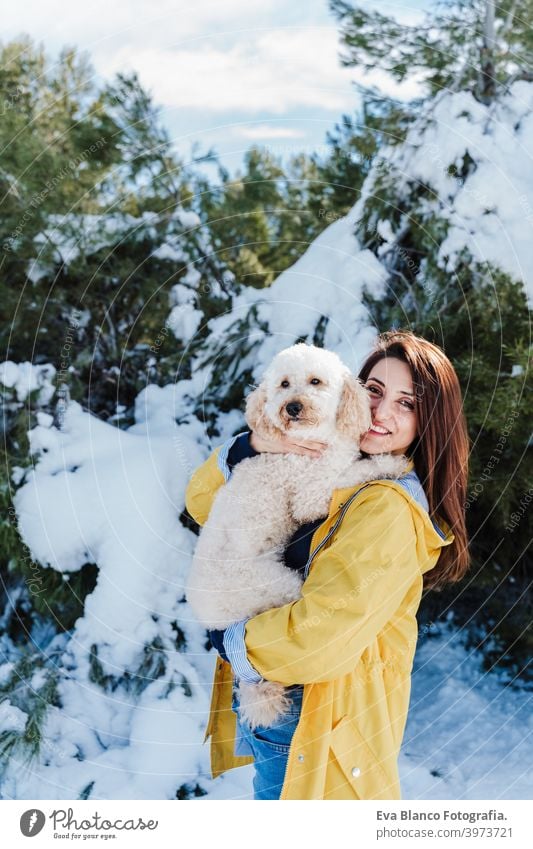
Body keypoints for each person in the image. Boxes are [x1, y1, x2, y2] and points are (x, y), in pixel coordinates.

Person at [184, 330, 470, 800]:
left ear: (429, 421)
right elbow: (202, 504)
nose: (381, 413)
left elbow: (323, 630)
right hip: (292, 706)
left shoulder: (388, 507)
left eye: (406, 403)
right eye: (375, 392)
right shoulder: (328, 454)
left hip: (319, 717)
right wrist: (248, 448)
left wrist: (233, 641)